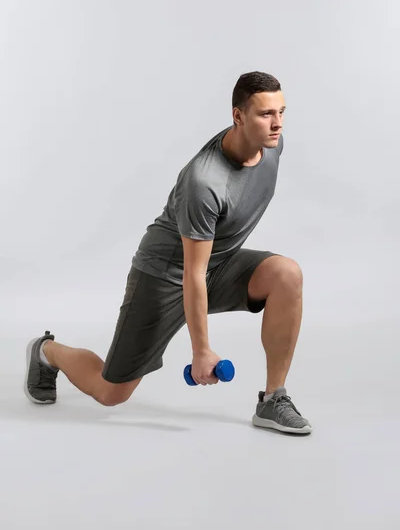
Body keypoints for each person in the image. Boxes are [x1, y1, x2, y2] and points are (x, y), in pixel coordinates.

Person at [24, 71, 312, 435]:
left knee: (287, 274)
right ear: (238, 116)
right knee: (110, 392)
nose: (277, 124)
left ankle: (274, 399)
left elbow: (206, 268)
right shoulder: (204, 181)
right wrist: (202, 351)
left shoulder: (273, 146)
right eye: (265, 114)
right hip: (164, 275)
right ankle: (46, 351)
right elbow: (192, 274)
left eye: (281, 112)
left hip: (218, 266)